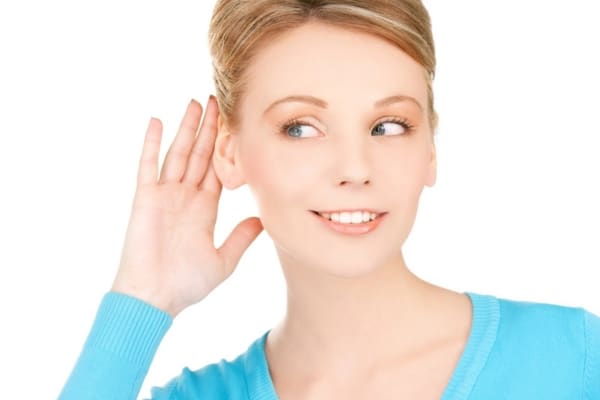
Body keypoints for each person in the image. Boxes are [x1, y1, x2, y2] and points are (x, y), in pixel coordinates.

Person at [59, 1, 600, 399]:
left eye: (389, 125)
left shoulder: (576, 357)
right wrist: (142, 296)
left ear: (430, 147)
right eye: (301, 128)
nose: (356, 169)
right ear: (230, 152)